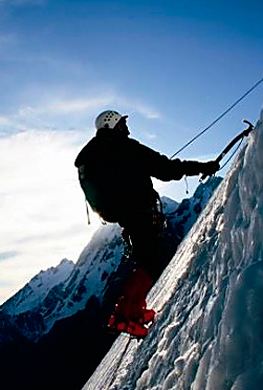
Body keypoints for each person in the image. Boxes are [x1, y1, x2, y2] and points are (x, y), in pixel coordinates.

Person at [74, 110, 220, 337]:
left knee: (145, 259)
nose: (127, 128)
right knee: (150, 262)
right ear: (113, 125)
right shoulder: (126, 148)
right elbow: (166, 169)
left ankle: (135, 311)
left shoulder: (94, 155)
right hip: (141, 211)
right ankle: (125, 316)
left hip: (125, 215)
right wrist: (202, 167)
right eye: (122, 123)